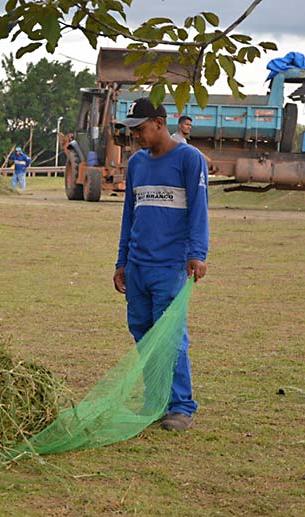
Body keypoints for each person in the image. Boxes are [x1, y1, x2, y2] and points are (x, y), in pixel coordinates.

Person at [113, 98, 209, 432]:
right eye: (132, 130)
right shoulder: (137, 163)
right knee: (143, 334)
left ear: (158, 122)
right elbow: (129, 214)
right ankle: (156, 402)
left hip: (169, 267)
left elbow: (199, 210)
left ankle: (181, 406)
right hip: (137, 267)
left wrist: (198, 254)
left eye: (140, 129)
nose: (136, 136)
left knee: (169, 337)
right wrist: (122, 260)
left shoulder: (189, 159)